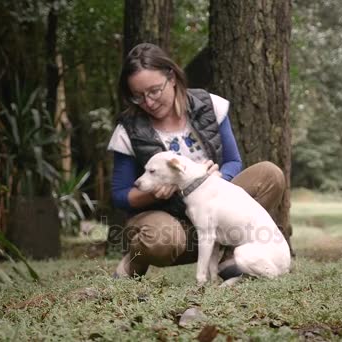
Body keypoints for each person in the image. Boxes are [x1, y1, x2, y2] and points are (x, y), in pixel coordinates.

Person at [107, 42, 290, 278]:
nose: (149, 102)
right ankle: (135, 260)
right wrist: (153, 193)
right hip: (168, 217)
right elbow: (119, 195)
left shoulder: (210, 105)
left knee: (269, 175)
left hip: (212, 207)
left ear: (171, 78)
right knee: (159, 241)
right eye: (138, 96)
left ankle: (226, 255)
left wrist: (215, 179)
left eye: (154, 91)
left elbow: (234, 162)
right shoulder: (128, 130)